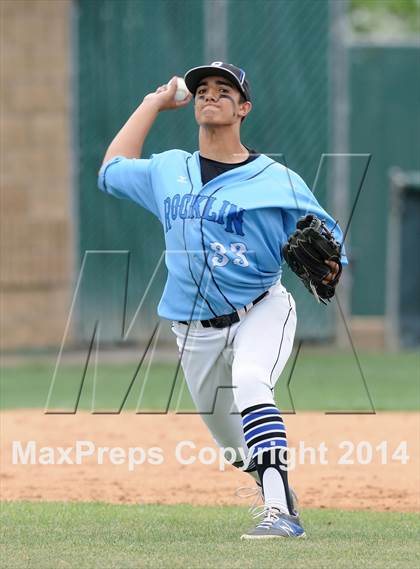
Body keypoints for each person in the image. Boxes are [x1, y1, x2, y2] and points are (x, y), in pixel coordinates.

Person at [98, 62, 346, 539]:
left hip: (262, 308)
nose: (210, 95)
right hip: (193, 329)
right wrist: (153, 102)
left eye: (224, 90)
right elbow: (111, 171)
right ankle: (275, 485)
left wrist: (331, 266)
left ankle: (280, 514)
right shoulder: (169, 169)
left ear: (244, 108)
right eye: (203, 90)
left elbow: (332, 246)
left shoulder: (279, 180)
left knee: (253, 381)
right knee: (235, 449)